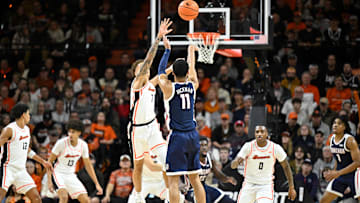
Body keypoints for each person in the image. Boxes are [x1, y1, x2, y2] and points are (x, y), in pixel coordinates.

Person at [128, 18, 172, 203]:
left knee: (166, 159)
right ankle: (138, 196)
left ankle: (171, 193)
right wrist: (158, 38)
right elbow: (148, 60)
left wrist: (176, 62)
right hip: (137, 129)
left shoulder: (151, 85)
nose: (145, 71)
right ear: (136, 73)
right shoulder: (136, 85)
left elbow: (162, 74)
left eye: (145, 70)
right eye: (141, 70)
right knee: (137, 166)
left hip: (152, 126)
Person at [157, 44, 206, 203]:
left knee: (173, 181)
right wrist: (191, 52)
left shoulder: (168, 88)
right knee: (195, 180)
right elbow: (192, 68)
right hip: (193, 136)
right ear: (186, 72)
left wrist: (167, 51)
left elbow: (160, 74)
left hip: (177, 137)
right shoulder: (193, 85)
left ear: (174, 73)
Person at [0, 103, 52, 202]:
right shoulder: (9, 130)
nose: (29, 116)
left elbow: (26, 150)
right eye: (28, 113)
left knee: (36, 199)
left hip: (21, 170)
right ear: (23, 115)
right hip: (7, 168)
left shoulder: (27, 130)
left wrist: (42, 161)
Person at [231, 125, 297, 203]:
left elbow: (286, 166)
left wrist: (291, 187)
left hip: (265, 185)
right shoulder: (248, 146)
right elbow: (233, 166)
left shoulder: (274, 147)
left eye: (262, 132)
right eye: (257, 132)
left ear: (266, 134)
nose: (259, 134)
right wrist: (236, 162)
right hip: (249, 184)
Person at [47, 120, 103, 203]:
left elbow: (88, 165)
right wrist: (49, 182)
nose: (70, 134)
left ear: (79, 133)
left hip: (71, 175)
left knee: (85, 200)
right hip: (58, 174)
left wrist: (97, 183)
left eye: (73, 132)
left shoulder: (83, 145)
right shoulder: (61, 143)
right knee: (64, 197)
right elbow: (49, 162)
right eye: (69, 132)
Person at [320, 116, 360, 203]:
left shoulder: (350, 140)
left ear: (344, 127)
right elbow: (338, 160)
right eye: (334, 123)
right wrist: (333, 172)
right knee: (323, 201)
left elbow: (357, 162)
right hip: (341, 174)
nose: (335, 125)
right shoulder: (331, 139)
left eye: (339, 123)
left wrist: (338, 172)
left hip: (355, 174)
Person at [184, 137, 236, 203]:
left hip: (204, 187)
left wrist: (227, 178)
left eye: (205, 145)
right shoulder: (191, 160)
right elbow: (179, 178)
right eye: (201, 145)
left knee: (228, 201)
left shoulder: (209, 158)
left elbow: (217, 174)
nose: (204, 147)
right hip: (190, 190)